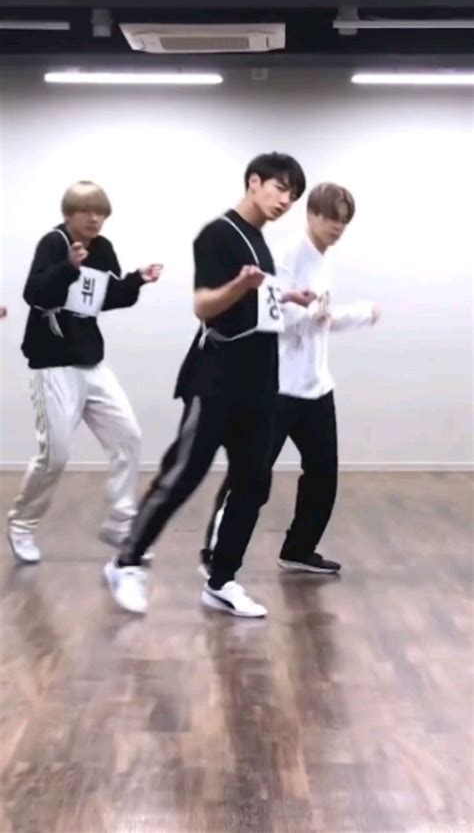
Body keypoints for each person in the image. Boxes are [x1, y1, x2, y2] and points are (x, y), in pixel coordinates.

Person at [104, 152, 307, 617]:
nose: (285, 200)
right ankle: (126, 563)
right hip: (217, 380)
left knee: (253, 484)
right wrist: (239, 287)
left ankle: (221, 581)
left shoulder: (259, 241)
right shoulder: (218, 234)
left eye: (293, 196)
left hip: (260, 382)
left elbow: (256, 302)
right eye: (280, 188)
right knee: (184, 474)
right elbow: (204, 306)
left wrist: (286, 295)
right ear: (254, 182)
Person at [200, 182, 381, 578]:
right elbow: (271, 314)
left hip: (316, 387)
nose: (337, 227)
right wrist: (313, 314)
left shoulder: (324, 259)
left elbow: (323, 320)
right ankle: (214, 551)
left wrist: (361, 314)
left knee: (323, 474)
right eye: (331, 218)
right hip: (278, 388)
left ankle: (299, 549)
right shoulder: (285, 256)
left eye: (344, 221)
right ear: (311, 215)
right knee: (251, 475)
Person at [7, 180, 162, 564]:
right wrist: (68, 268)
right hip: (53, 364)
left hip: (91, 361)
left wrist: (137, 279)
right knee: (55, 455)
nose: (95, 219)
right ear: (69, 214)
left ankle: (121, 524)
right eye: (86, 212)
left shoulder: (103, 248)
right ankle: (22, 523)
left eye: (101, 213)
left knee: (128, 437)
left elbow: (106, 298)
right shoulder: (54, 243)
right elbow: (34, 294)